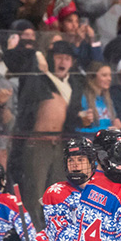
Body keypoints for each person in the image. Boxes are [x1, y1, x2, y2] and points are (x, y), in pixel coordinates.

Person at [20, 40, 78, 230]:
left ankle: (55, 232)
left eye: (67, 58)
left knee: (58, 191)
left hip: (61, 144)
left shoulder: (74, 85)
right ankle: (34, 235)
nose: (63, 62)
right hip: (40, 143)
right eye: (59, 57)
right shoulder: (40, 79)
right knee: (36, 191)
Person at [74, 61, 121, 134]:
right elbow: (77, 129)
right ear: (93, 77)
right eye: (104, 75)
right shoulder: (83, 99)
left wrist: (116, 125)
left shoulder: (108, 100)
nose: (109, 79)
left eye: (110, 75)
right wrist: (104, 130)